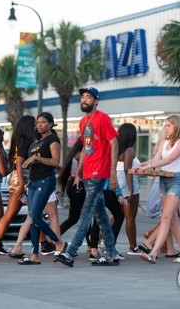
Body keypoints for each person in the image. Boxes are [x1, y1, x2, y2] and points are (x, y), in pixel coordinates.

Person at [55, 86, 120, 267]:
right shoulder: (83, 122)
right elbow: (85, 149)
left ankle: (70, 252)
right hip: (88, 174)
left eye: (88, 97)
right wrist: (79, 173)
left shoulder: (103, 118)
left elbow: (114, 143)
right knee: (101, 217)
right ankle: (112, 253)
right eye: (83, 97)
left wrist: (113, 172)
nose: (84, 100)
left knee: (85, 214)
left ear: (96, 101)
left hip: (100, 173)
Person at [137, 114, 180, 264]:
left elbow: (171, 159)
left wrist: (148, 166)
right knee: (173, 221)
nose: (165, 128)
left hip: (177, 181)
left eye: (168, 125)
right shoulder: (164, 141)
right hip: (164, 180)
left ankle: (153, 252)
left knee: (166, 218)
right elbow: (156, 159)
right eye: (165, 125)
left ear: (176, 126)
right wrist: (142, 165)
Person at [17, 112, 66, 265]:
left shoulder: (53, 140)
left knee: (36, 216)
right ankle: (34, 255)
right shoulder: (35, 143)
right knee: (32, 218)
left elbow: (56, 161)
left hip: (45, 181)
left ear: (50, 124)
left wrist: (36, 158)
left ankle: (58, 242)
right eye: (37, 122)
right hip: (33, 182)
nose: (39, 125)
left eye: (43, 122)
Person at [0, 115, 35, 255]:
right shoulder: (25, 141)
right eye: (34, 124)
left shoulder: (17, 141)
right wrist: (22, 185)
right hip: (21, 180)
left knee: (32, 213)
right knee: (14, 213)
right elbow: (20, 164)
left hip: (18, 178)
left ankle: (44, 244)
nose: (36, 127)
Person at [116, 123, 142, 255]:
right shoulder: (129, 151)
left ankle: (99, 236)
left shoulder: (116, 149)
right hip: (128, 184)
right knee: (130, 217)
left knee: (118, 215)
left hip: (117, 184)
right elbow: (128, 171)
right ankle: (133, 247)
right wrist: (131, 190)